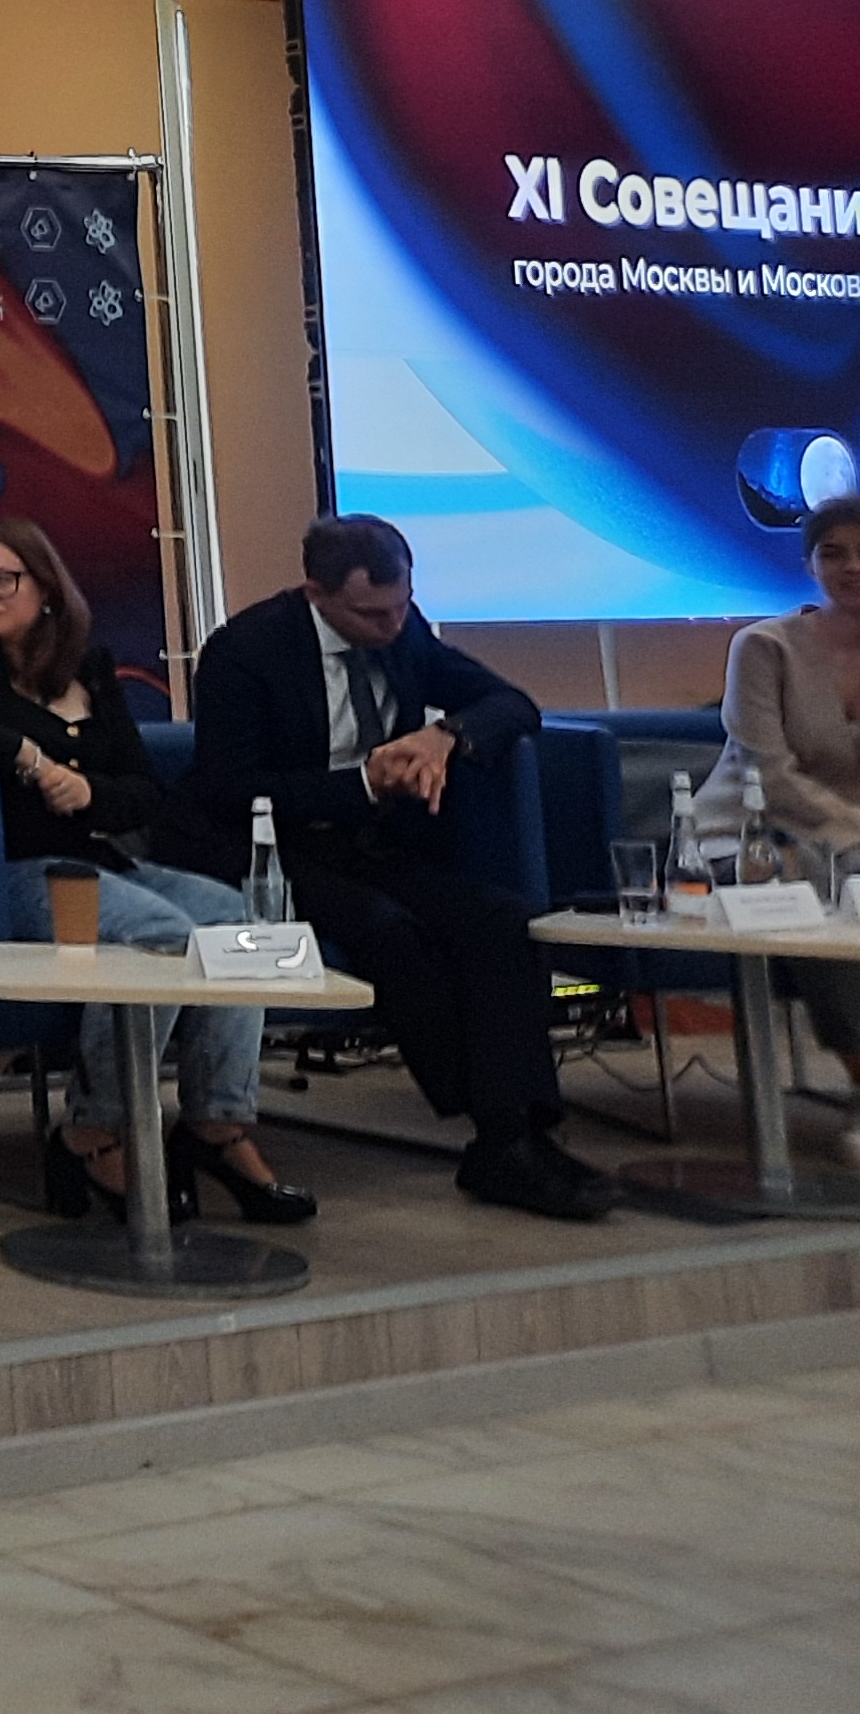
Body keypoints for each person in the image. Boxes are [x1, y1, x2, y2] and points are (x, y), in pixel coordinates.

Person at [0, 518, 311, 1227]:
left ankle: (216, 1125)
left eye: (0, 579)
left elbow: (141, 790)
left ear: (45, 588)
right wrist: (20, 750)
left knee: (240, 923)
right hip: (16, 872)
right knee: (162, 935)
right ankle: (93, 1131)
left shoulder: (91, 668)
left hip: (103, 861)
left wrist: (89, 793)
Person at [187, 514, 610, 1220]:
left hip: (376, 844)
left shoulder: (405, 631)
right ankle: (494, 1125)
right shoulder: (246, 651)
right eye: (371, 613)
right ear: (317, 594)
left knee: (501, 920)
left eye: (401, 605)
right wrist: (360, 785)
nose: (390, 625)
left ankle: (514, 1137)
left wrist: (447, 734)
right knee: (388, 931)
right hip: (278, 849)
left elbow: (513, 704)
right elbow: (228, 790)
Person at [696, 495, 860, 1161]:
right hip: (752, 832)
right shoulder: (763, 647)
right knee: (813, 897)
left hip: (852, 843)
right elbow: (770, 774)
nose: (852, 567)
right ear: (810, 565)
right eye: (833, 553)